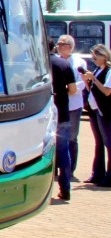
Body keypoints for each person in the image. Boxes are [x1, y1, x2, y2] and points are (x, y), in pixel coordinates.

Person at [55, 36, 87, 177]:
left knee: (72, 138)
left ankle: (70, 170)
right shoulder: (55, 61)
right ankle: (55, 168)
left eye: (63, 44)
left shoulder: (80, 62)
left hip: (74, 104)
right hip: (58, 105)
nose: (60, 46)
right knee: (55, 138)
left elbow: (82, 82)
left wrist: (68, 90)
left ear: (70, 46)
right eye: (59, 43)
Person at [81, 44, 111, 186]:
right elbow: (92, 90)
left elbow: (106, 91)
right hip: (95, 110)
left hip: (104, 111)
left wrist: (93, 79)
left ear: (104, 57)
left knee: (108, 143)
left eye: (95, 56)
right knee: (99, 143)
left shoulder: (109, 71)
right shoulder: (98, 70)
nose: (93, 59)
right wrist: (86, 80)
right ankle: (97, 174)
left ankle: (109, 176)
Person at [50, 48, 77, 201]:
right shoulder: (64, 64)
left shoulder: (39, 63)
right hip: (62, 113)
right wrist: (61, 93)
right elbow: (72, 89)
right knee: (63, 151)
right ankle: (65, 189)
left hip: (43, 113)